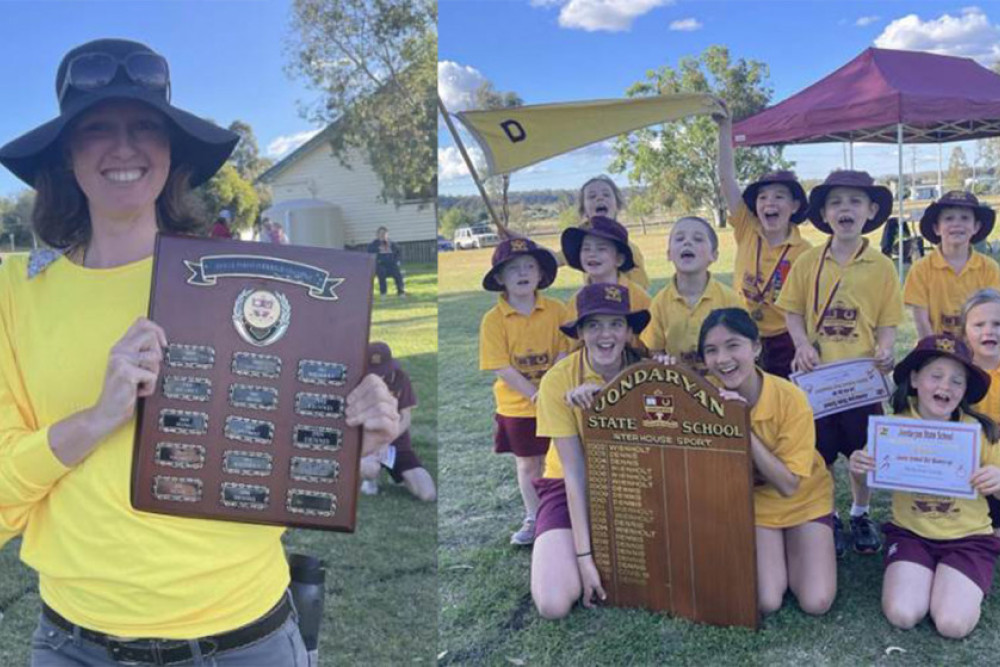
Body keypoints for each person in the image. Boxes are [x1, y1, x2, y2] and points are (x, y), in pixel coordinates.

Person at [0, 38, 399, 665]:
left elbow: (281, 463)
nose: (124, 147)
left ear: (171, 153)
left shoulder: (253, 283)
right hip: (75, 643)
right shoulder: (14, 294)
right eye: (97, 128)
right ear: (66, 157)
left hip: (244, 635)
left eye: (145, 128)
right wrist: (96, 418)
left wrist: (347, 442)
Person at [776, 170, 904, 559]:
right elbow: (792, 312)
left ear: (870, 210)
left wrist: (884, 350)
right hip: (818, 382)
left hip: (862, 382)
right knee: (820, 455)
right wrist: (800, 345)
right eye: (835, 202)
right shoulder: (808, 262)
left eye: (854, 201)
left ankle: (861, 513)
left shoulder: (882, 267)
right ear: (825, 214)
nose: (844, 208)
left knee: (862, 456)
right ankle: (827, 515)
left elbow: (887, 322)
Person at [849, 335, 1000, 639]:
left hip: (968, 538)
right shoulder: (892, 428)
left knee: (952, 625)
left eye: (957, 381)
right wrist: (858, 468)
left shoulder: (980, 431)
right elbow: (869, 478)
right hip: (911, 534)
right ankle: (925, 575)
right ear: (915, 379)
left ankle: (955, 580)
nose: (946, 387)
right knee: (902, 614)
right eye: (936, 376)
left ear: (965, 391)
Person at [698, 308, 836, 615]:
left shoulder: (790, 398)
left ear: (756, 347)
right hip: (754, 505)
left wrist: (741, 424)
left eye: (733, 345)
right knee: (767, 600)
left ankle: (814, 537)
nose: (723, 359)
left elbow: (789, 485)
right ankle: (778, 551)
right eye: (711, 350)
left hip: (802, 498)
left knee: (816, 602)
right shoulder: (701, 396)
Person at [531, 282, 649, 619]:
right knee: (553, 604)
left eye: (615, 324)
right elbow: (574, 472)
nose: (605, 334)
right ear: (580, 332)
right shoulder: (558, 380)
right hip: (570, 482)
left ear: (628, 331)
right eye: (594, 325)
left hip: (631, 478)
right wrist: (584, 559)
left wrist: (611, 396)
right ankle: (567, 546)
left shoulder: (646, 368)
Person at [479, 238, 566, 545]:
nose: (523, 273)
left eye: (530, 266)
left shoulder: (557, 310)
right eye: (513, 268)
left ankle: (559, 515)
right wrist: (533, 394)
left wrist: (549, 391)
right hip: (517, 406)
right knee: (529, 462)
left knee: (557, 458)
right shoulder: (493, 320)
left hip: (555, 402)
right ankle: (534, 517)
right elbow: (500, 365)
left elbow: (564, 354)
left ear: (541, 274)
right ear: (500, 278)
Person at [716, 110, 812, 378]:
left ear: (794, 206)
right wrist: (725, 129)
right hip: (743, 335)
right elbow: (726, 179)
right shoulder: (747, 229)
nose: (769, 203)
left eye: (779, 197)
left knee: (784, 403)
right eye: (763, 197)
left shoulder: (805, 252)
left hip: (786, 341)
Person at [641, 216, 744, 373]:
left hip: (722, 385)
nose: (687, 243)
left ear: (714, 255)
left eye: (698, 239)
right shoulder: (659, 303)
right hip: (678, 387)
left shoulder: (730, 300)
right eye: (680, 238)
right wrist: (661, 361)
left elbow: (744, 350)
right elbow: (654, 350)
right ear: (669, 254)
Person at [903, 191, 999, 339]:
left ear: (976, 227)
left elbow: (992, 314)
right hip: (934, 348)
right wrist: (934, 353)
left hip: (978, 347)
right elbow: (922, 321)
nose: (957, 224)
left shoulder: (989, 268)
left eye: (965, 218)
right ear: (936, 228)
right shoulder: (920, 269)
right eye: (949, 218)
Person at [359, 342, 436, 502]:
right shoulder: (358, 379)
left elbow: (406, 418)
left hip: (396, 443)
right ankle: (370, 481)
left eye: (382, 371)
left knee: (428, 495)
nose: (378, 376)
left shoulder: (401, 378)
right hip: (368, 442)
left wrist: (387, 441)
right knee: (368, 469)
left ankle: (399, 476)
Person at [561, 215, 651, 349]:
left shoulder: (639, 297)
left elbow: (650, 346)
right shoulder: (576, 301)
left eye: (601, 248)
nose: (592, 254)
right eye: (586, 249)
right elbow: (572, 347)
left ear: (619, 259)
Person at [961, 289, 1000, 537]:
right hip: (966, 467)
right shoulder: (956, 373)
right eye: (978, 324)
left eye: (998, 323)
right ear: (965, 334)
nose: (989, 331)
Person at [575, 175, 650, 289]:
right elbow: (555, 258)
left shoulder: (631, 251)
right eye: (592, 196)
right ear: (584, 210)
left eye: (606, 194)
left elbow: (641, 293)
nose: (600, 198)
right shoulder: (579, 245)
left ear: (617, 205)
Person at [367, 226, 405, 296]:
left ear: (387, 234)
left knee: (398, 273)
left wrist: (397, 261)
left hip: (392, 264)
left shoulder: (392, 244)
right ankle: (383, 293)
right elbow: (370, 256)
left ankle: (401, 292)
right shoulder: (373, 245)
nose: (383, 235)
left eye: (384, 233)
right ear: (377, 235)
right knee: (381, 272)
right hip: (380, 264)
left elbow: (399, 253)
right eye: (381, 233)